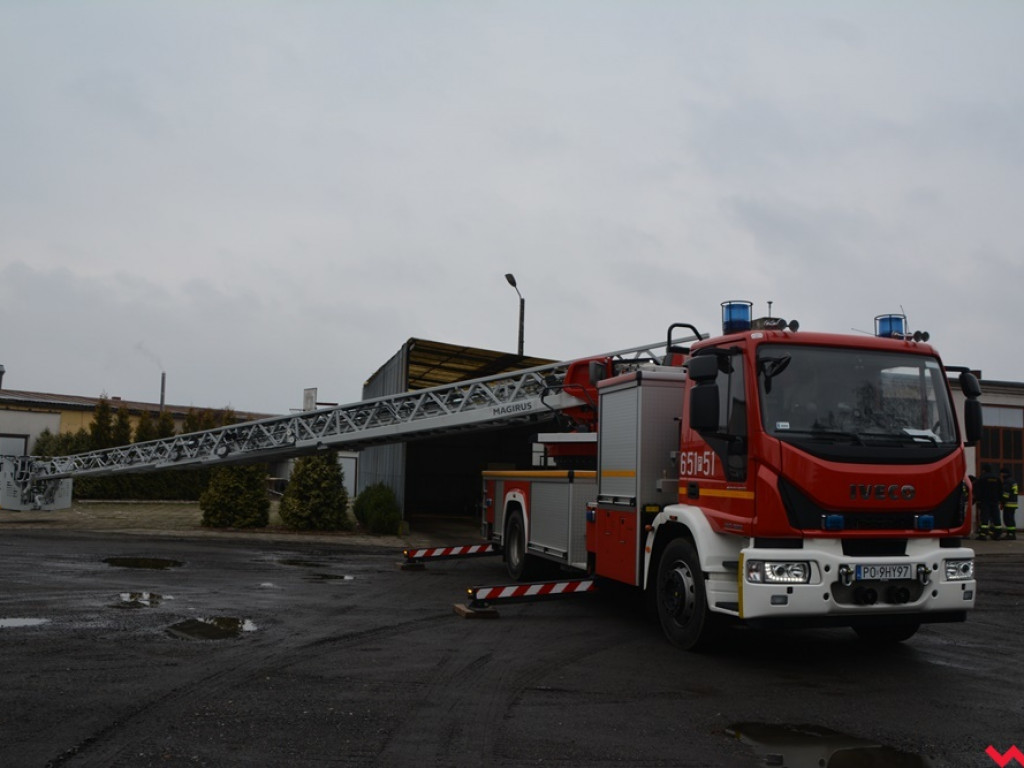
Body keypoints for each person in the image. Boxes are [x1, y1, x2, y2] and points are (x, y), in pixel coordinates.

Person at [975, 464, 1003, 540]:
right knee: (996, 517)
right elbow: (1001, 490)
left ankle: (983, 534)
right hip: (995, 501)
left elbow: (978, 490)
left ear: (984, 470)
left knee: (985, 517)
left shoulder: (982, 478)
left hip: (985, 501)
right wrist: (1001, 500)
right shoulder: (997, 478)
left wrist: (978, 500)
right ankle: (997, 534)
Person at [999, 467, 1019, 541]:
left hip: (1008, 504)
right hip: (1014, 503)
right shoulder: (1013, 481)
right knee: (1011, 519)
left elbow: (1005, 494)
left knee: (1007, 519)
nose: (1001, 476)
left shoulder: (1007, 482)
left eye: (1001, 474)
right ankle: (1012, 534)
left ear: (1004, 474)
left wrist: (1002, 502)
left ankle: (1010, 535)